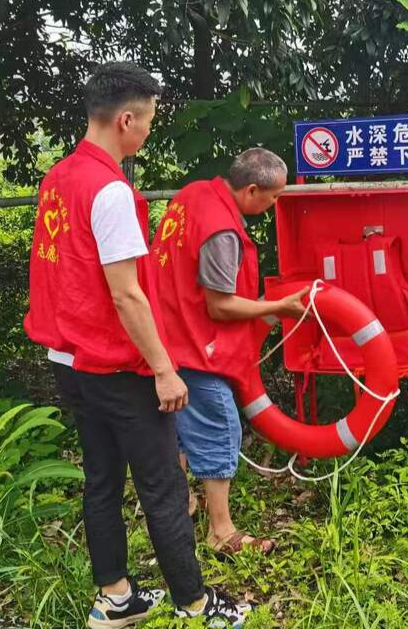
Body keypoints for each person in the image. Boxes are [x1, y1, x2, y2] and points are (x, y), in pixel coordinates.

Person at [24, 62, 250, 629]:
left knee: (101, 478)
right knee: (163, 486)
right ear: (127, 118)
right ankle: (197, 604)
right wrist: (164, 369)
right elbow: (126, 295)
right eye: (147, 122)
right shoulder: (110, 191)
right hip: (115, 363)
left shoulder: (60, 177)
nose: (147, 133)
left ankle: (115, 597)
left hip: (68, 359)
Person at [150, 148, 306, 556]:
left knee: (178, 430)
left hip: (166, 335)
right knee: (220, 428)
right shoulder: (222, 231)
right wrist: (278, 307)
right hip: (196, 343)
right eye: (272, 198)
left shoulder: (192, 195)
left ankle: (180, 506)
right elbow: (220, 304)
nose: (275, 205)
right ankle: (221, 532)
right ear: (252, 189)